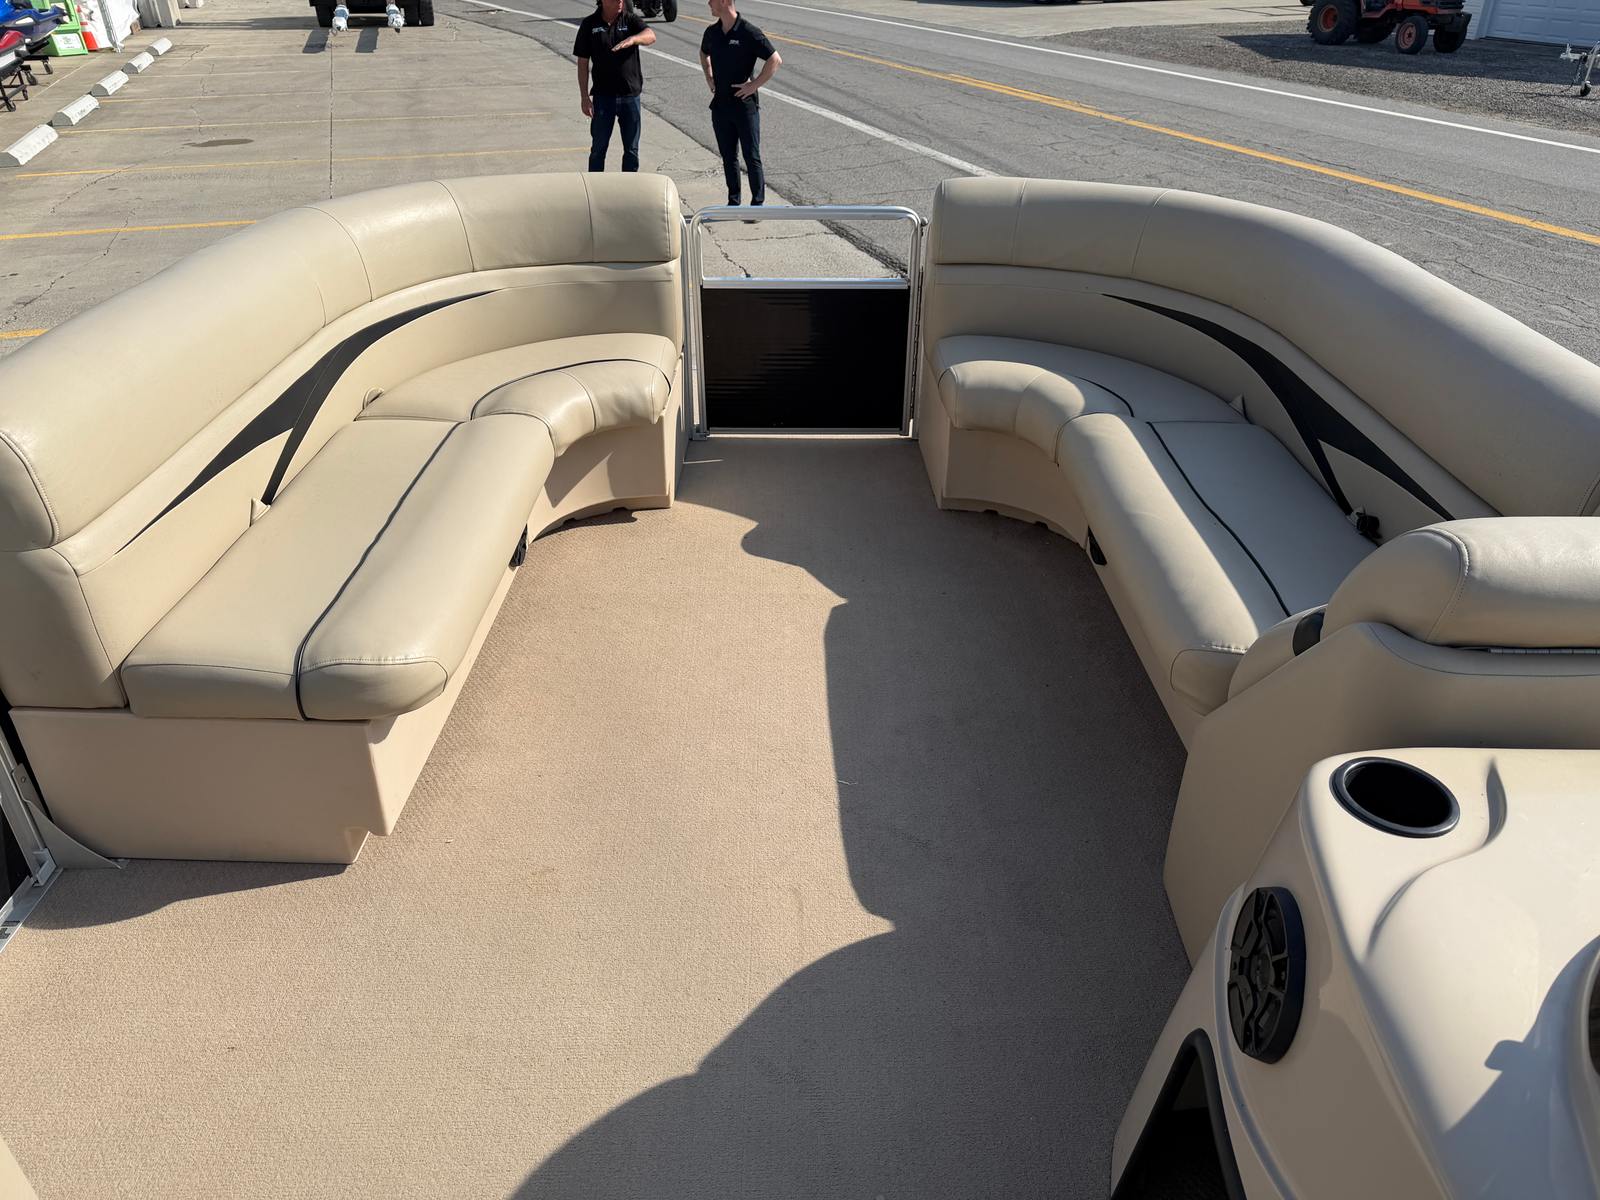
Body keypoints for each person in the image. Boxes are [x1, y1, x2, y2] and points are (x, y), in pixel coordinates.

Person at [699, 0, 781, 208]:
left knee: (751, 157)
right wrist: (709, 77)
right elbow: (703, 52)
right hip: (721, 107)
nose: (708, 3)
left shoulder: (748, 32)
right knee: (728, 157)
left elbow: (775, 60)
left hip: (745, 108)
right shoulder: (712, 32)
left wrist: (754, 85)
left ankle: (757, 204)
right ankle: (733, 202)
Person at [574, 0, 656, 173]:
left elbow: (650, 35)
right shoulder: (590, 24)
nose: (620, 1)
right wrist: (584, 97)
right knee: (598, 149)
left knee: (631, 150)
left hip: (630, 96)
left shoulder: (630, 20)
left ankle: (629, 185)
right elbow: (582, 62)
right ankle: (595, 186)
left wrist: (633, 39)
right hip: (603, 98)